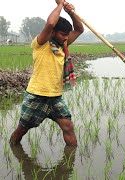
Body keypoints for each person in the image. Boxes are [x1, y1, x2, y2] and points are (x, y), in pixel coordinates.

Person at [10, 0, 84, 146]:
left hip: (55, 97)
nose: (65, 38)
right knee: (22, 129)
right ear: (53, 33)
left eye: (67, 35)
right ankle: (13, 149)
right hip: (37, 95)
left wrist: (71, 13)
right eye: (63, 34)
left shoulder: (63, 45)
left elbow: (79, 29)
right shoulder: (41, 44)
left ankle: (71, 162)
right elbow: (50, 23)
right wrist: (60, 5)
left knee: (68, 127)